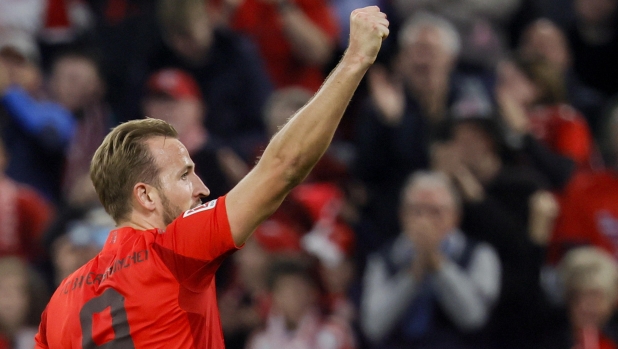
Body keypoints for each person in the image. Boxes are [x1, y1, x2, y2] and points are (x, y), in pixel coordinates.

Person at [34, 6, 389, 349]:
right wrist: (355, 59)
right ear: (145, 197)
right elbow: (285, 165)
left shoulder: (60, 303)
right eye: (185, 175)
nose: (203, 188)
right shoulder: (175, 249)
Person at [360, 171, 501, 349]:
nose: (425, 221)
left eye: (435, 212)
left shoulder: (480, 254)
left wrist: (437, 263)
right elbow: (373, 327)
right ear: (402, 215)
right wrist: (413, 273)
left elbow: (473, 318)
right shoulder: (384, 258)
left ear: (455, 217)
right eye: (417, 211)